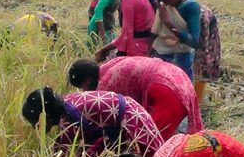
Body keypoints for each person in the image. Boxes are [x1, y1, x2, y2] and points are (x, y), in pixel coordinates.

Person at [21, 86, 165, 157]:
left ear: (44, 117)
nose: (35, 128)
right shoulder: (65, 106)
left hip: (131, 122)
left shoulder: (66, 123)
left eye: (35, 123)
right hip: (117, 126)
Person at [69, 56, 202, 141]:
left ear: (87, 80)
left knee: (149, 142)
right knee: (170, 139)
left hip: (167, 90)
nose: (85, 91)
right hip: (178, 78)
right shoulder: (110, 65)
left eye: (83, 87)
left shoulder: (105, 85)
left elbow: (102, 122)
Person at [152, 0, 199, 80]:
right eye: (162, 0)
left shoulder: (190, 7)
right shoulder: (163, 4)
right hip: (160, 56)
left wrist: (168, 23)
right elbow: (155, 32)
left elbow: (194, 41)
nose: (166, 3)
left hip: (181, 58)